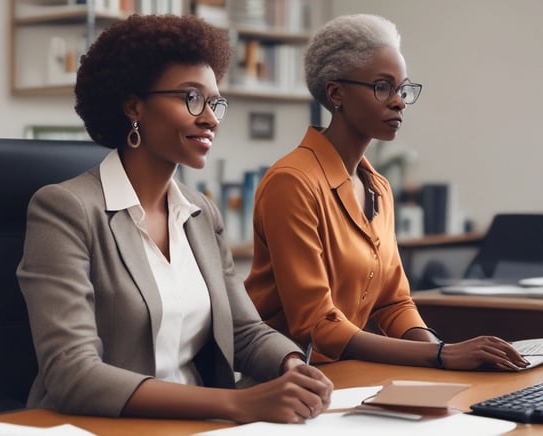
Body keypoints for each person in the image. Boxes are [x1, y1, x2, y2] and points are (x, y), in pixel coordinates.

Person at [16, 14, 332, 424]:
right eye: (191, 98)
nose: (211, 117)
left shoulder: (201, 213)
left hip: (195, 423)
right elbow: (72, 374)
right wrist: (237, 404)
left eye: (214, 102)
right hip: (102, 425)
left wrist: (293, 366)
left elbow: (244, 331)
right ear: (134, 106)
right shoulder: (64, 209)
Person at [245, 14, 530, 371]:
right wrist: (441, 356)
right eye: (383, 87)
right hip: (284, 380)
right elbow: (317, 326)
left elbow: (393, 303)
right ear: (336, 94)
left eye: (403, 89)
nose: (399, 102)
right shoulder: (292, 182)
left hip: (345, 373)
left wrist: (442, 356)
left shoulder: (377, 186)